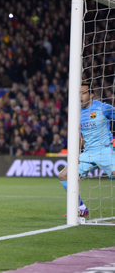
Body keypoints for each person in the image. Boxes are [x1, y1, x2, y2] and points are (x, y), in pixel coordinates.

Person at [58, 82, 115, 217]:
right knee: (63, 175)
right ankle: (81, 207)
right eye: (79, 94)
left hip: (105, 150)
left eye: (83, 93)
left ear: (91, 94)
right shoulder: (76, 113)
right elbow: (79, 136)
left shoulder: (103, 108)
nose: (81, 96)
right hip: (88, 153)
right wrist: (76, 154)